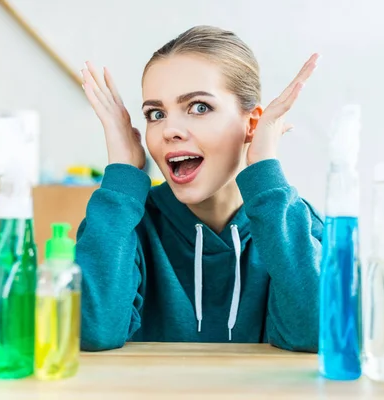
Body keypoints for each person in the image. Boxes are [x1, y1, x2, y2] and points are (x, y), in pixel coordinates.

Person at [77, 25, 323, 352]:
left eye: (199, 107)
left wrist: (264, 166)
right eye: (156, 113)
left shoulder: (295, 224)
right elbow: (90, 332)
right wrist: (122, 172)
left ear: (252, 125)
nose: (170, 130)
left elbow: (317, 333)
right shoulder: (124, 223)